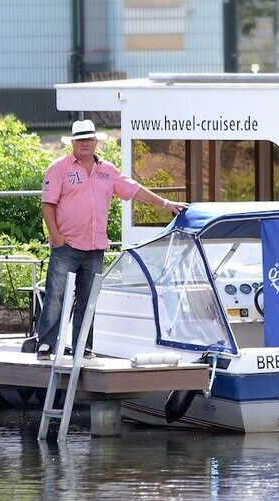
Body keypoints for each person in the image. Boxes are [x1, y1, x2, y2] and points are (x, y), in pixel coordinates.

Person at [35, 119, 187, 361]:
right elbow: (47, 203)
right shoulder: (58, 168)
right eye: (80, 139)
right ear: (73, 143)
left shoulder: (107, 170)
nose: (85, 143)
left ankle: (83, 346)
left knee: (88, 299)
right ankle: (45, 344)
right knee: (56, 295)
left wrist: (166, 204)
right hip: (67, 245)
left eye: (89, 139)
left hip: (95, 246)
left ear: (96, 142)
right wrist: (56, 236)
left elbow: (134, 189)